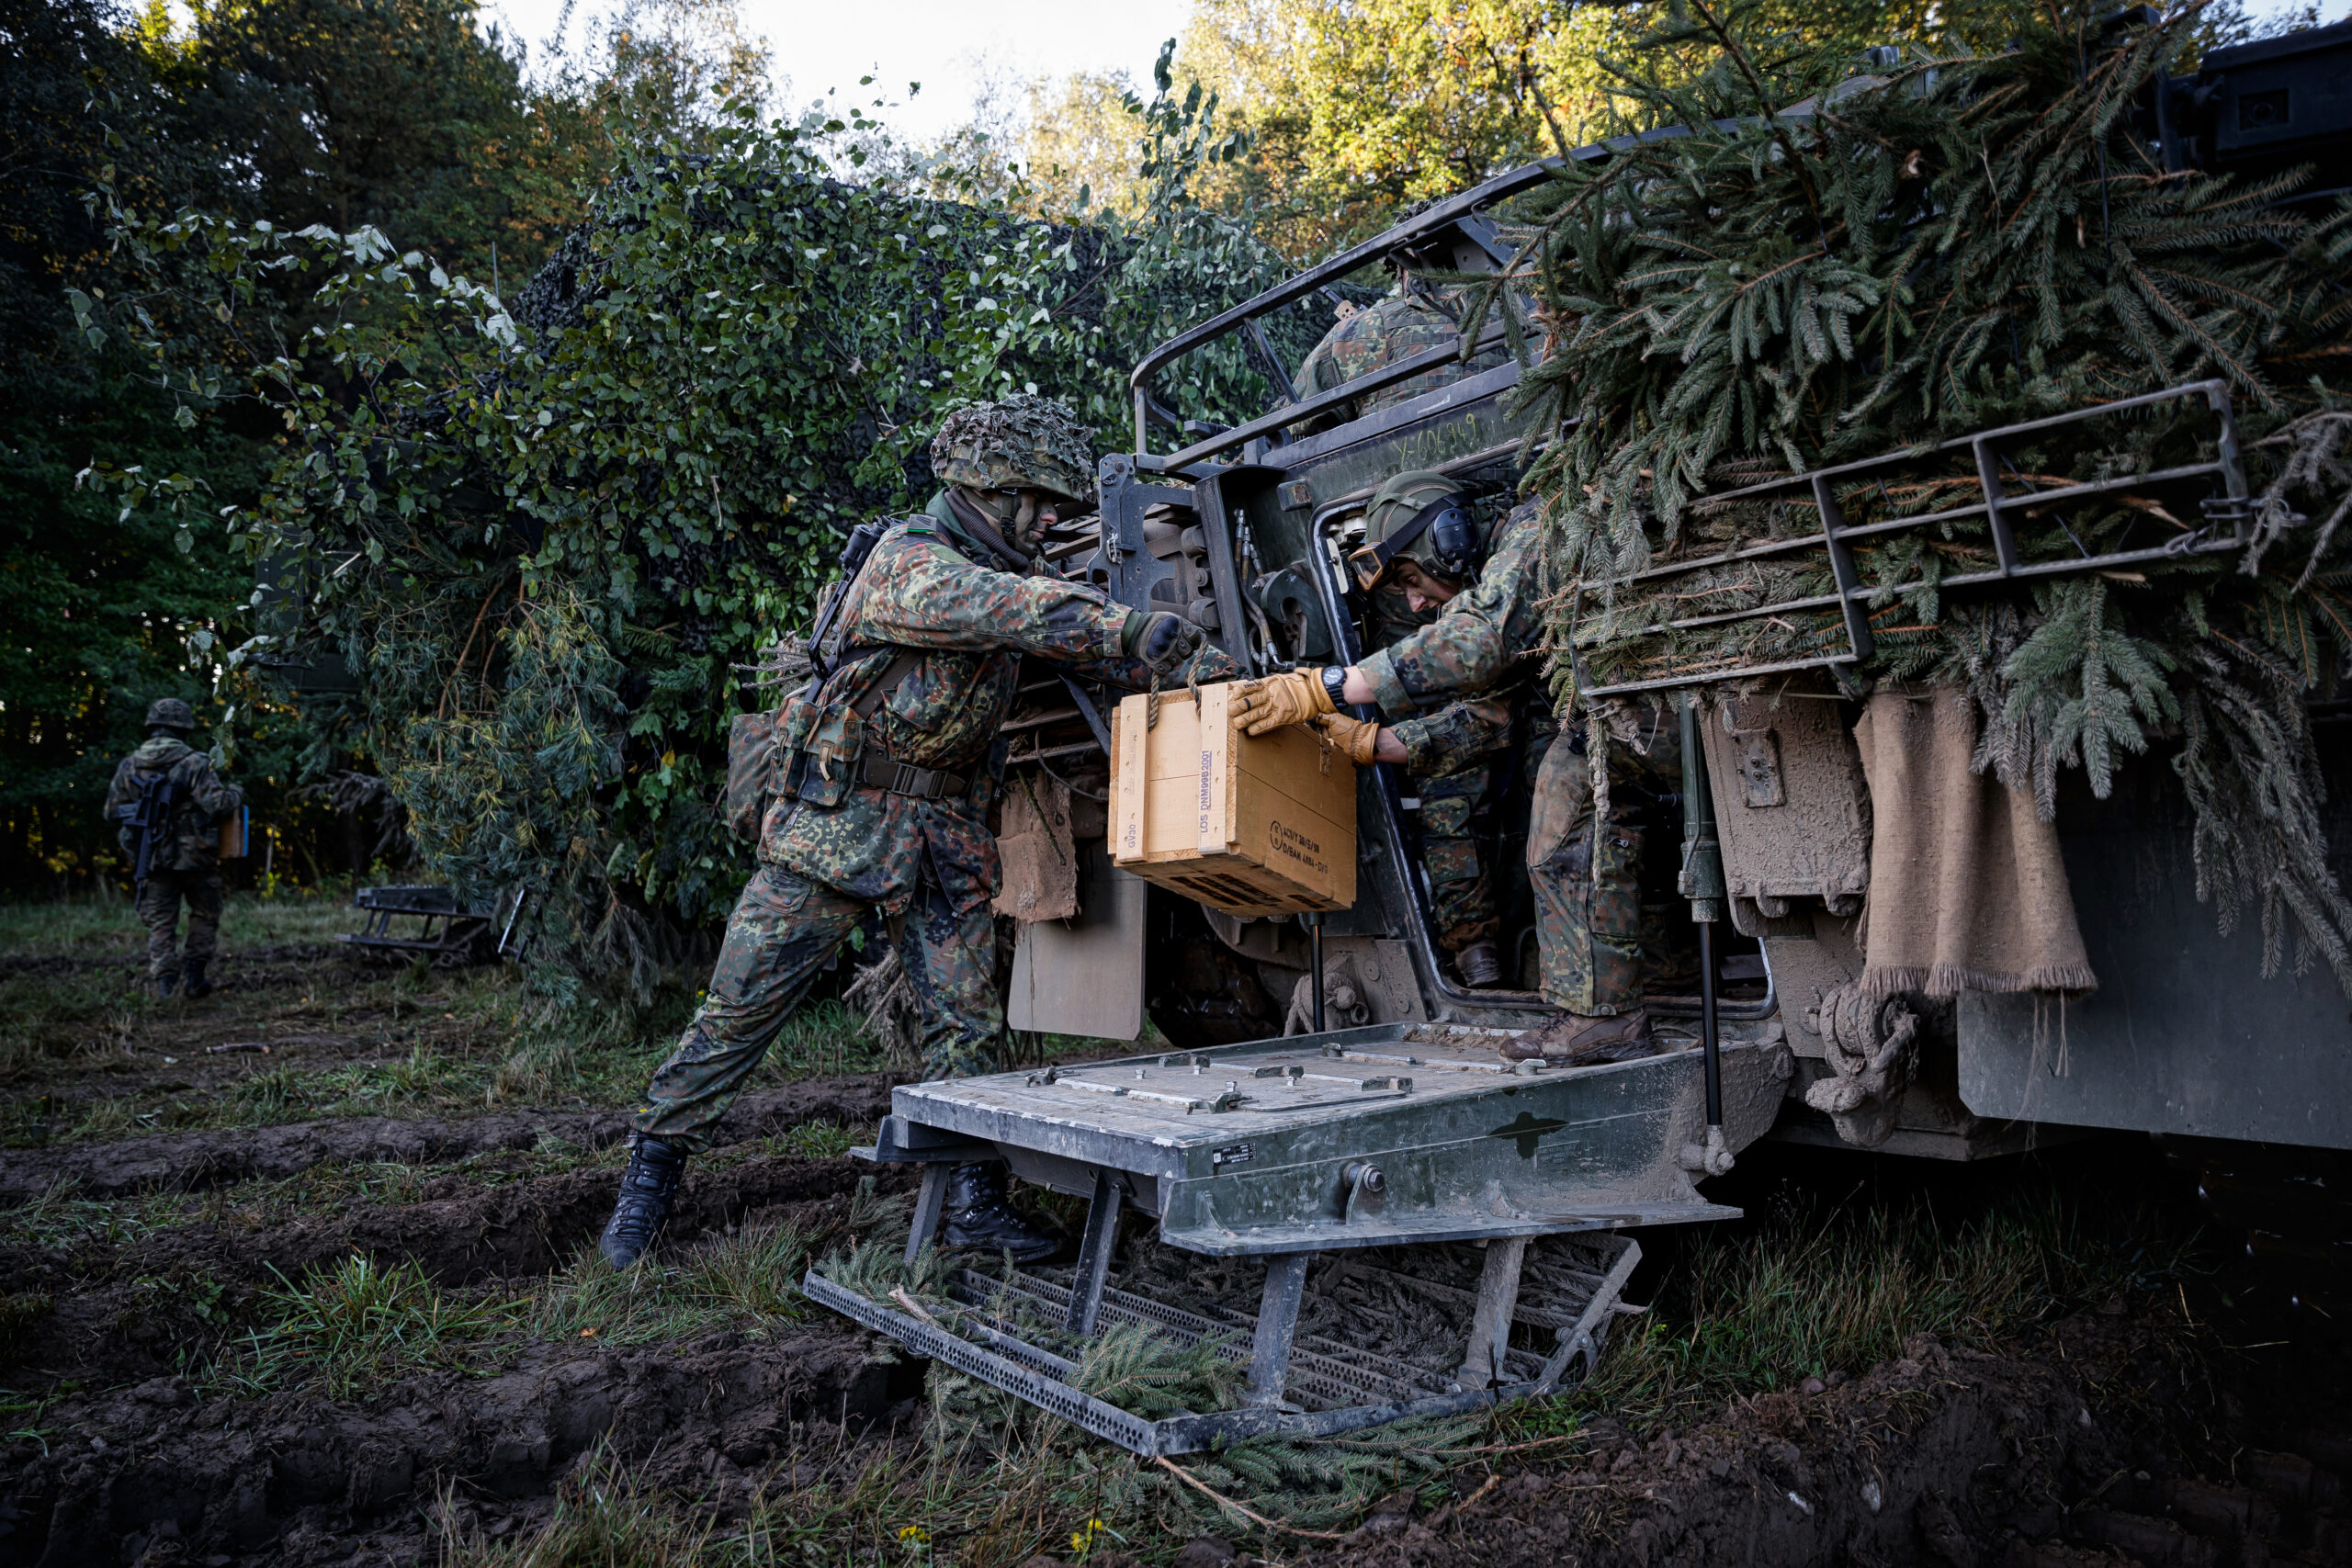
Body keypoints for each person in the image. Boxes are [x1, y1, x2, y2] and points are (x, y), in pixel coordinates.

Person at [597, 396, 1236, 1270]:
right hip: (839, 825)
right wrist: (1127, 623)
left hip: (942, 833)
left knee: (965, 1023)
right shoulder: (915, 568)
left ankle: (974, 1202)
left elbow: (1085, 647)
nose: (1050, 517)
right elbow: (1014, 611)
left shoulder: (999, 568)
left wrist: (1208, 666)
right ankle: (647, 1189)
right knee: (740, 1011)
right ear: (987, 490)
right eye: (1037, 500)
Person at [1232, 470, 1671, 1059]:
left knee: (1566, 800)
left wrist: (1326, 687)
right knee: (1561, 798)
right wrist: (1373, 744)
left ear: (1451, 536)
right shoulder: (1501, 583)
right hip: (1628, 718)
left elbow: (1482, 640)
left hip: (1671, 702)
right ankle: (1600, 1014)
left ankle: (1605, 1019)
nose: (1414, 602)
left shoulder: (1533, 531)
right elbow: (1488, 720)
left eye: (1413, 578)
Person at [106, 698, 244, 1000]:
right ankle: (195, 979)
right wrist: (235, 792)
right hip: (196, 855)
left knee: (160, 922)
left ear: (153, 726)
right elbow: (218, 804)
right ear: (183, 728)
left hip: (152, 856)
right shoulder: (195, 762)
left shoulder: (130, 764)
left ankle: (165, 986)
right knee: (205, 914)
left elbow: (112, 812)